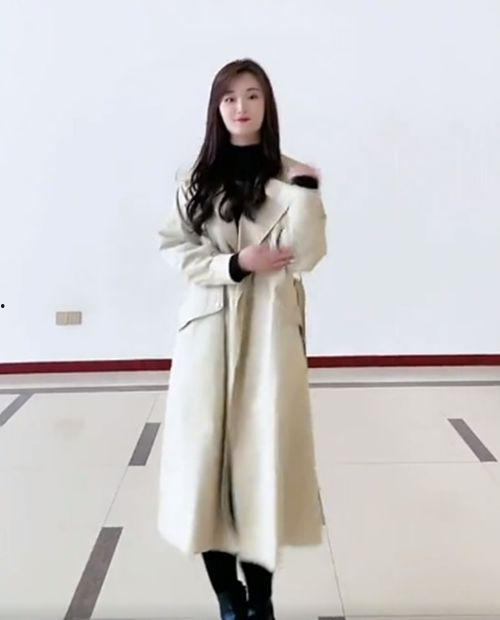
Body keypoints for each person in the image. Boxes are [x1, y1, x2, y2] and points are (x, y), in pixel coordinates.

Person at [157, 58, 328, 620]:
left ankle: (262, 601)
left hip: (270, 332)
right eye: (229, 98)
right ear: (217, 108)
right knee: (206, 470)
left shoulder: (293, 175)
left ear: (266, 104)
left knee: (261, 468)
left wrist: (307, 193)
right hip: (208, 333)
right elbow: (176, 248)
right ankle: (228, 599)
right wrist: (235, 264)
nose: (241, 107)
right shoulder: (193, 178)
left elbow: (308, 255)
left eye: (252, 95)